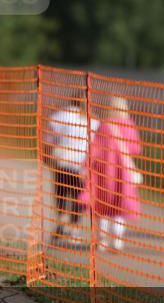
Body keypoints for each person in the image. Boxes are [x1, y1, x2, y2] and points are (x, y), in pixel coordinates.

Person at [80, 96, 142, 252]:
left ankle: (102, 241)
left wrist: (86, 166)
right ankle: (117, 241)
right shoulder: (130, 125)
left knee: (103, 207)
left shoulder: (105, 125)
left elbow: (95, 149)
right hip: (123, 173)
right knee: (119, 207)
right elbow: (136, 149)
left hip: (104, 173)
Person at [42, 95, 97, 244]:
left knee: (61, 193)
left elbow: (51, 134)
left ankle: (61, 221)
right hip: (81, 166)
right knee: (78, 197)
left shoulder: (64, 114)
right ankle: (74, 229)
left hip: (63, 161)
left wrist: (48, 151)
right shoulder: (93, 121)